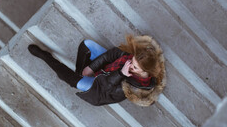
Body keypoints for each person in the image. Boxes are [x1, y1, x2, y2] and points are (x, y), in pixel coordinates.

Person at [28, 35, 166, 106]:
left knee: (71, 79)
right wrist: (91, 68)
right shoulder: (134, 59)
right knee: (86, 45)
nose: (130, 65)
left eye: (134, 67)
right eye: (132, 61)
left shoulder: (134, 88)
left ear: (144, 71)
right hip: (104, 72)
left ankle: (45, 57)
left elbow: (105, 86)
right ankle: (80, 74)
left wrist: (121, 73)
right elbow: (112, 54)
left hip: (100, 91)